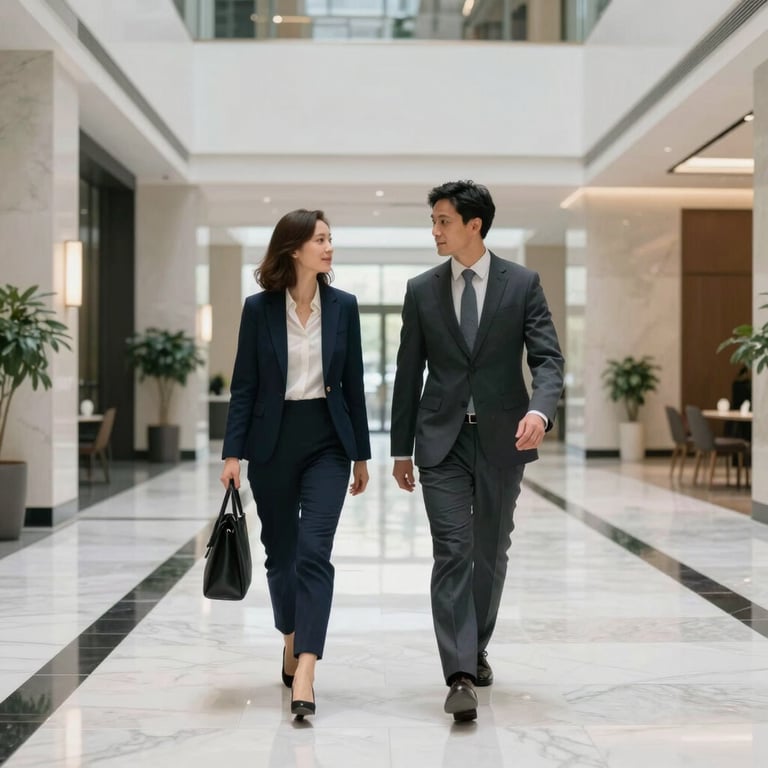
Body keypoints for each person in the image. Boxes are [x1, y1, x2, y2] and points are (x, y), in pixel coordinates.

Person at [390, 180, 564, 722]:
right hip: (440, 440)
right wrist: (400, 450)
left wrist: (539, 411)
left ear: (475, 225)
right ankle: (460, 672)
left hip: (501, 438)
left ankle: (476, 646)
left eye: (443, 220)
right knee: (452, 550)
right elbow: (406, 373)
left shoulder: (522, 284)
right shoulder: (421, 290)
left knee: (489, 551)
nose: (435, 230)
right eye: (434, 221)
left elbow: (548, 360)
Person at [220, 209, 371, 719]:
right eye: (320, 240)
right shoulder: (258, 309)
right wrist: (232, 453)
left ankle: (306, 665)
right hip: (271, 443)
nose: (329, 248)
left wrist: (360, 456)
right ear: (293, 249)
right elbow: (244, 387)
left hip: (328, 442)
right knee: (281, 557)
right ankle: (291, 634)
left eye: (331, 238)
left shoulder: (344, 307)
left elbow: (352, 385)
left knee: (314, 552)